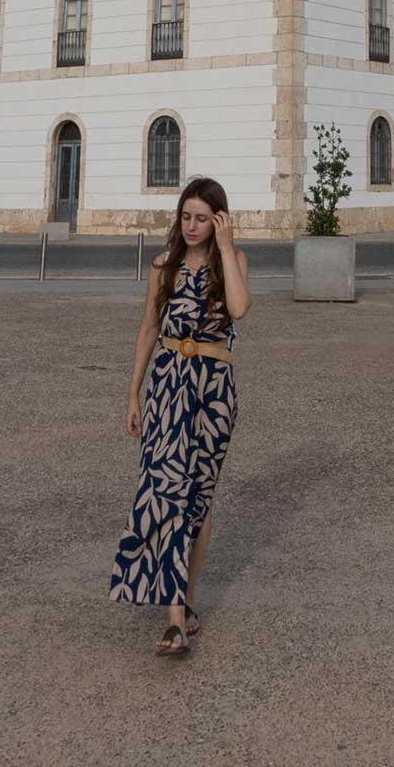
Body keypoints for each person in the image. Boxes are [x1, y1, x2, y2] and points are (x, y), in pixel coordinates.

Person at [109, 176, 251, 658]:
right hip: (169, 385)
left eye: (202, 218)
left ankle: (187, 603)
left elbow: (239, 309)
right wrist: (133, 395)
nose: (191, 226)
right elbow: (147, 330)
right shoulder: (162, 266)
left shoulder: (231, 263)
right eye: (186, 217)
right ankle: (173, 617)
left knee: (199, 499)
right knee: (164, 489)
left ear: (219, 221)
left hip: (215, 390)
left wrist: (227, 248)